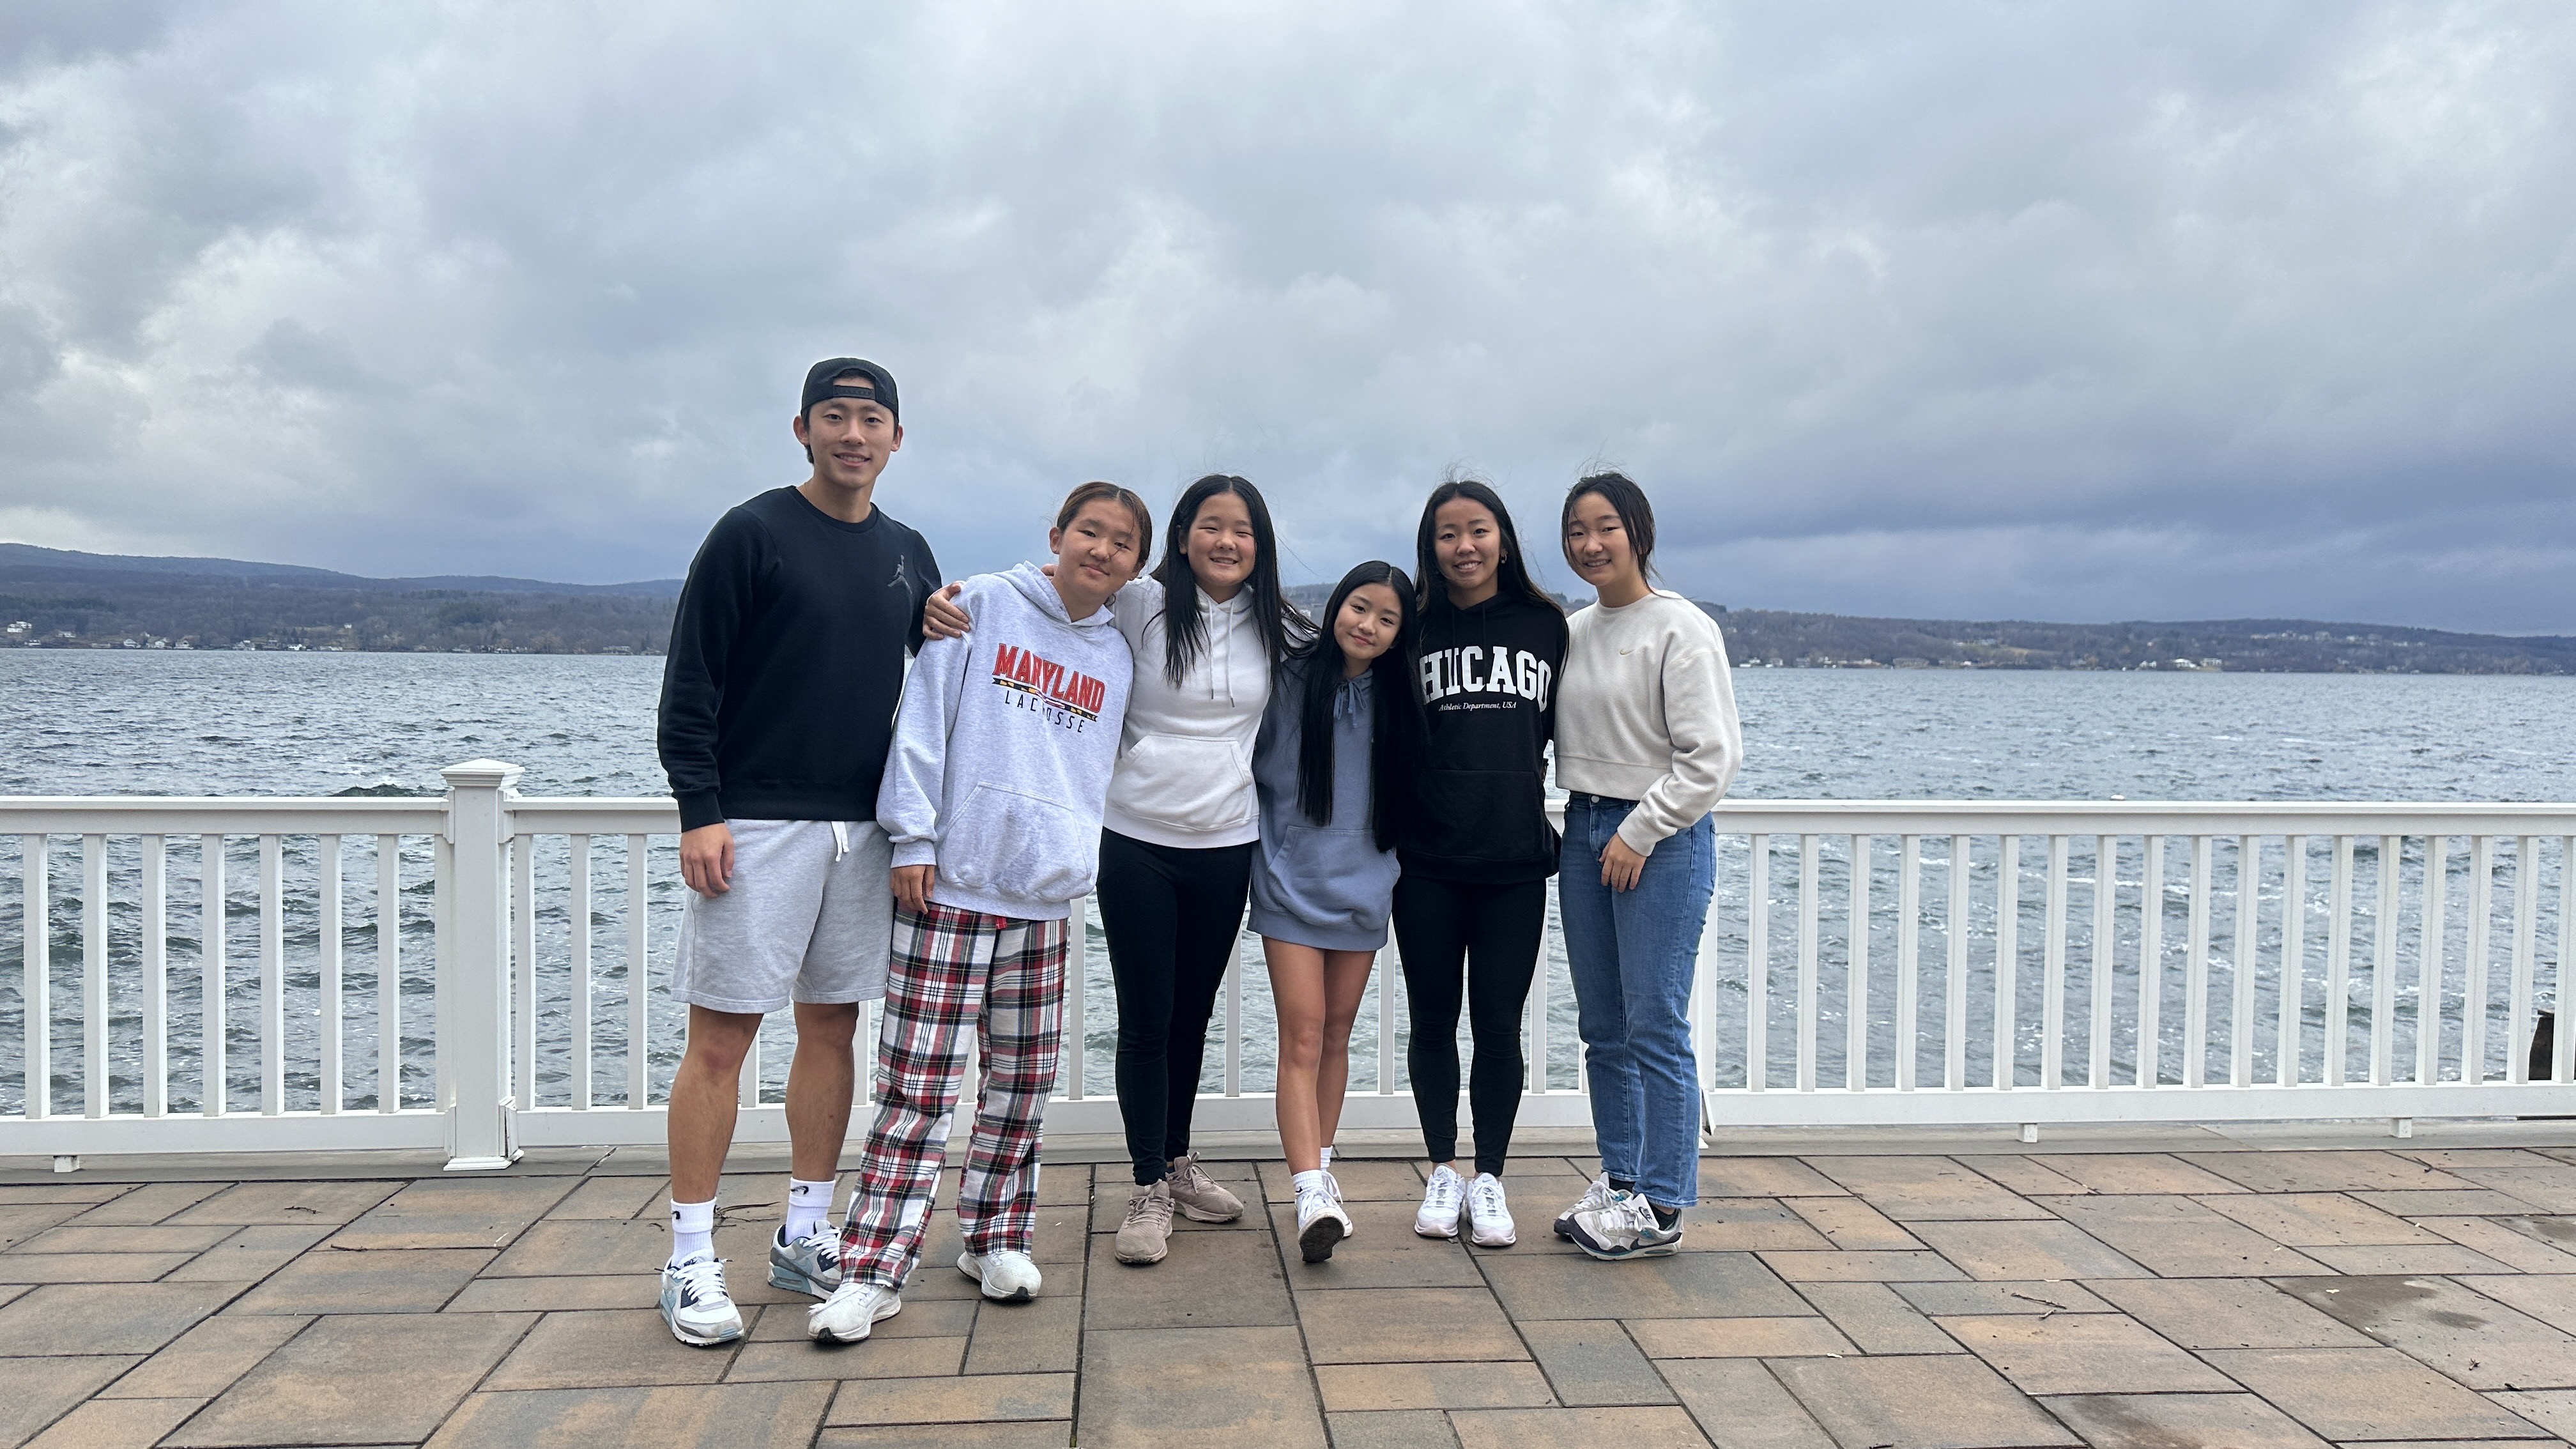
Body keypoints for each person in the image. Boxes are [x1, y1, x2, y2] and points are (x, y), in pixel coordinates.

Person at [924, 475, 1303, 1267]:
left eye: (1242, 530)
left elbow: (1362, 650)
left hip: (1227, 842)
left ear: (1259, 545)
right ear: (1182, 537)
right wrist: (938, 606)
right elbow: (1057, 596)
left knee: (1192, 1016)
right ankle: (1147, 1185)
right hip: (1133, 840)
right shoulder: (1139, 603)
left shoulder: (1278, 623)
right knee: (1147, 1015)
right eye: (1210, 526)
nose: (1226, 542)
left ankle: (1178, 1162)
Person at [809, 481, 1149, 1344]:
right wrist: (914, 839)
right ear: (1057, 534)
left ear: (1136, 567)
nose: (1102, 551)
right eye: (1090, 531)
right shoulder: (983, 606)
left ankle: (995, 1237)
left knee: (1022, 1085)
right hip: (951, 885)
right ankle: (872, 1268)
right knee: (917, 1090)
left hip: (1043, 899)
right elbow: (923, 721)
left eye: (1122, 543)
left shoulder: (1117, 655)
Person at [652, 358, 938, 1347]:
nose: (853, 435)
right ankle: (690, 1257)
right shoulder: (752, 533)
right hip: (757, 822)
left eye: (871, 419)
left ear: (896, 437)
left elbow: (943, 673)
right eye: (835, 417)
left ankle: (804, 1234)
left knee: (831, 1029)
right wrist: (700, 810)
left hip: (864, 828)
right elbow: (691, 681)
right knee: (721, 1042)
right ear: (803, 429)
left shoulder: (907, 551)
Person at [1551, 472, 1742, 1260]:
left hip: (1659, 842)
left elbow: (1712, 758)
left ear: (1639, 532)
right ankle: (1622, 1181)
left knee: (1655, 1023)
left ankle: (1662, 1205)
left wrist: (1641, 830)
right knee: (1603, 1028)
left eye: (1607, 527)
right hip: (1582, 828)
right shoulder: (1570, 631)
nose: (1591, 544)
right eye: (1576, 531)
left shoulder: (1680, 627)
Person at [1398, 477, 1568, 1249]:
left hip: (1514, 861)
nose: (1464, 547)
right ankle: (1442, 1168)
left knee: (1499, 1026)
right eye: (1447, 534)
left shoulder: (1546, 624)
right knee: (1432, 1021)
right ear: (1430, 547)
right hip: (1425, 861)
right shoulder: (1412, 626)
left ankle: (1490, 1175)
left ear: (1503, 539)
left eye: (1478, 531)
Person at [1252, 562, 1423, 1262]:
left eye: (1387, 619)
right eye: (1359, 607)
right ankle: (1308, 1191)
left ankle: (1321, 1175)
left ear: (1400, 634)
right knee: (1302, 1035)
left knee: (1336, 1034)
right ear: (1335, 608)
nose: (1368, 625)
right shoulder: (1288, 678)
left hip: (1366, 885)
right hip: (1289, 881)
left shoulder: (1401, 697)